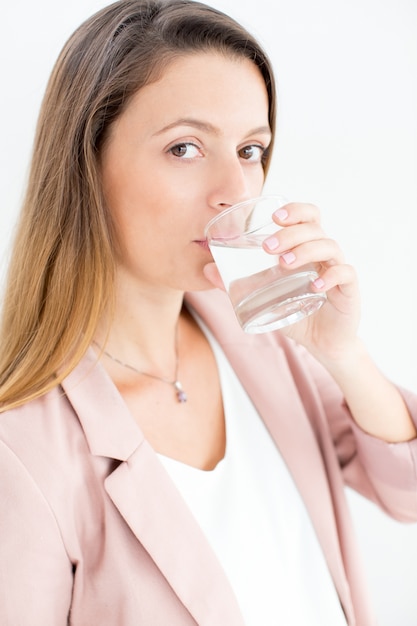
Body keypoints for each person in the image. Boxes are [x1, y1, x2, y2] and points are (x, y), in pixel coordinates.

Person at [0, 0, 416, 624]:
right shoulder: (24, 446)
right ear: (87, 163)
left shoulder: (262, 344)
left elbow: (405, 493)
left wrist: (343, 354)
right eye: (186, 148)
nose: (237, 191)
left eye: (251, 150)